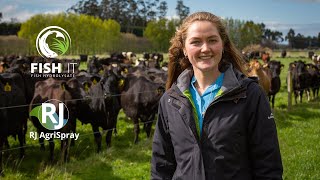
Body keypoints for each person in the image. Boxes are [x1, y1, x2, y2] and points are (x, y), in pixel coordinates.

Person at [151, 11, 283, 180]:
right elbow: (161, 165)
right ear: (184, 49)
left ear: (223, 44)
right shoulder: (170, 100)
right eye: (196, 42)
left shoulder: (250, 95)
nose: (205, 48)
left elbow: (268, 165)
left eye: (212, 40)